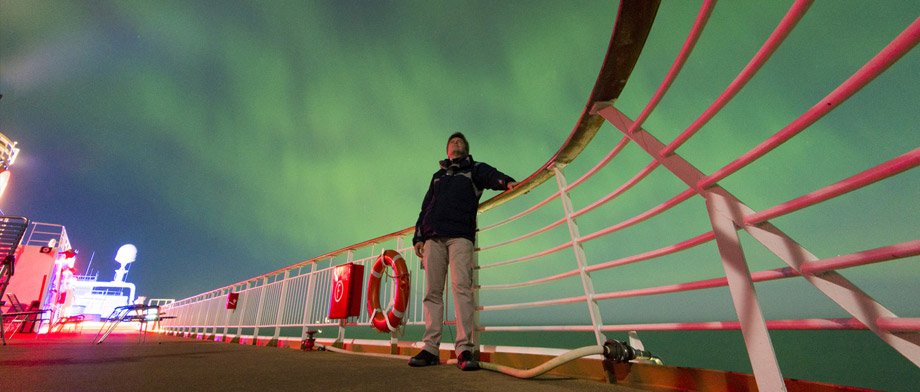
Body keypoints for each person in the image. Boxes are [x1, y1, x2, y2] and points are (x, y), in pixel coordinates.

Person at [408, 132, 516, 371]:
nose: (456, 143)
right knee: (432, 293)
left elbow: (491, 176)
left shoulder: (474, 169)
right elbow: (426, 207)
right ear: (447, 150)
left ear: (466, 149)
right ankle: (430, 349)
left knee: (461, 289)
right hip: (433, 238)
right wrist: (418, 236)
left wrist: (507, 182)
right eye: (452, 141)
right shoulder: (437, 177)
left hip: (460, 237)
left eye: (461, 141)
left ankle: (464, 349)